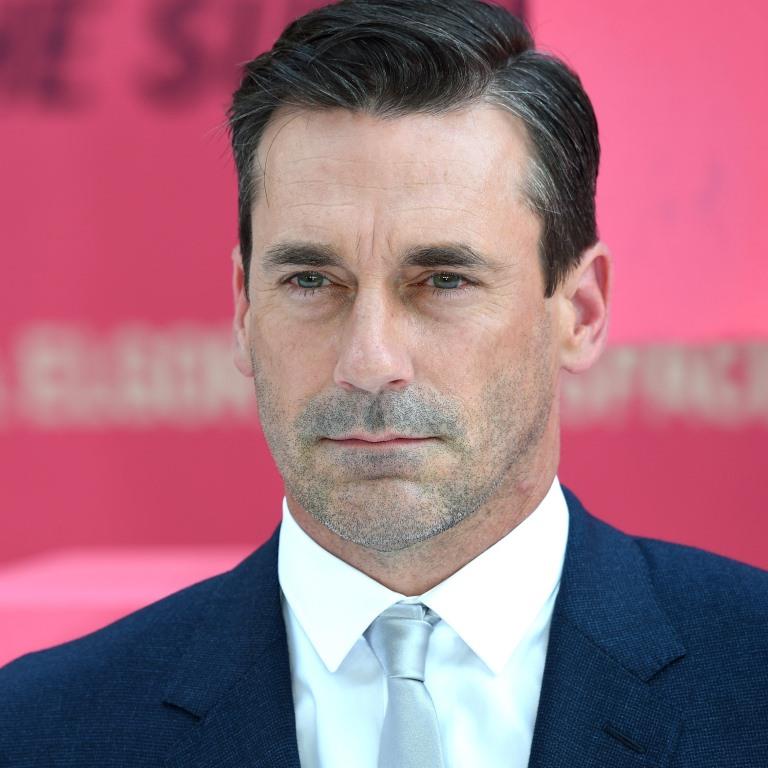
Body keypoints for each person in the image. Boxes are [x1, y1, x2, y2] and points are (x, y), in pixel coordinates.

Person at [1, 1, 767, 765]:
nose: (368, 361)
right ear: (243, 310)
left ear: (581, 311)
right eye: (310, 280)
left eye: (443, 280)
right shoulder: (41, 732)